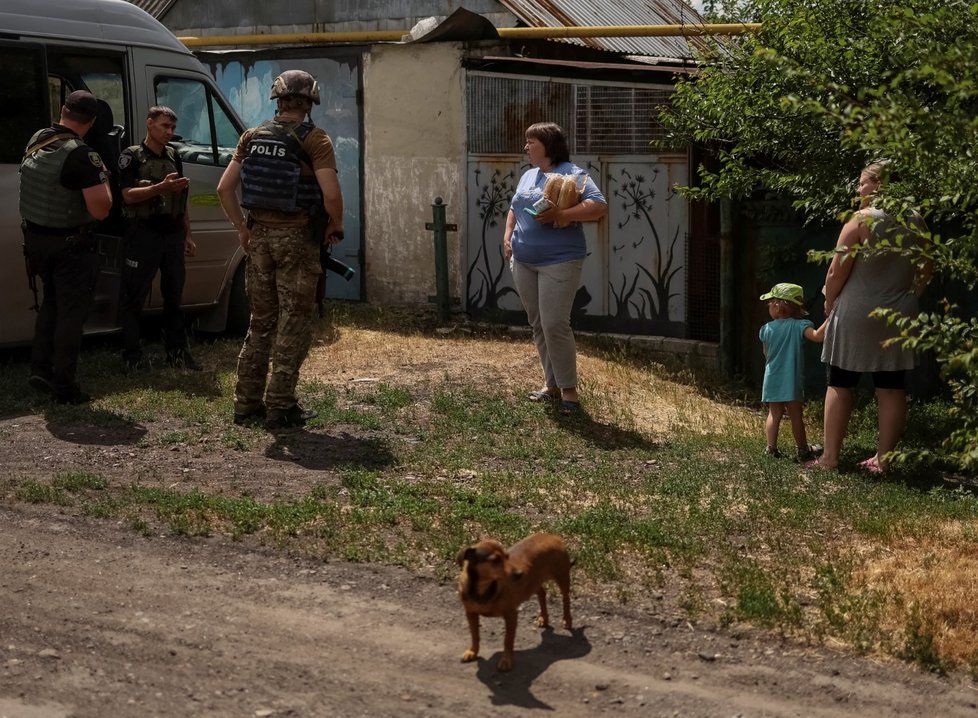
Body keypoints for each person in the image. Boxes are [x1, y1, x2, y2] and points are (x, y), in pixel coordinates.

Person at [217, 70, 344, 430]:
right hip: (297, 239)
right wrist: (335, 224)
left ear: (278, 100)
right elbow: (331, 195)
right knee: (294, 320)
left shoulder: (251, 137)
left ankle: (246, 404)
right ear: (309, 102)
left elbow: (225, 189)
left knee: (260, 322)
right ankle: (281, 406)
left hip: (259, 239)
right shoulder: (315, 139)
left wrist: (242, 229)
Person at [810, 161, 932, 472]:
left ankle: (830, 458)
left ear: (878, 185)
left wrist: (829, 302)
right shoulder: (916, 220)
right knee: (891, 386)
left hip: (856, 311)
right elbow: (927, 267)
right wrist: (909, 296)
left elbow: (836, 271)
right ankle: (883, 460)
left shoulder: (860, 221)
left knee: (840, 382)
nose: (858, 189)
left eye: (862, 183)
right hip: (899, 313)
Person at [502, 122, 607, 414]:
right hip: (523, 260)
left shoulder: (573, 175)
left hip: (559, 261)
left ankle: (570, 394)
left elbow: (598, 207)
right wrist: (507, 236)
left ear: (548, 145)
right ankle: (552, 386)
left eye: (531, 141)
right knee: (538, 323)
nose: (526, 147)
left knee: (554, 324)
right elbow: (514, 207)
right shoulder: (527, 176)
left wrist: (562, 213)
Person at [19, 90, 113, 404]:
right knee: (72, 314)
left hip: (36, 241)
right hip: (70, 246)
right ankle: (64, 385)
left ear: (62, 110)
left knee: (51, 304)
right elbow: (101, 209)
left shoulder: (39, 139)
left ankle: (40, 369)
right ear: (93, 121)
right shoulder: (82, 155)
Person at [117, 106, 199, 371]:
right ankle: (133, 356)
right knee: (133, 297)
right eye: (165, 126)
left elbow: (181, 199)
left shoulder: (174, 156)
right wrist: (159, 188)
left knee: (174, 296)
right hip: (143, 234)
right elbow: (127, 195)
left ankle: (176, 351)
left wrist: (187, 234)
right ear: (149, 123)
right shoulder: (132, 157)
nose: (169, 132)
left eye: (173, 128)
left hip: (172, 234)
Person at [758, 282, 827, 461]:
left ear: (777, 305)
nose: (769, 306)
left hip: (771, 377)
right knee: (796, 416)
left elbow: (766, 354)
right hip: (791, 379)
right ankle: (803, 450)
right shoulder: (800, 326)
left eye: (770, 302)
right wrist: (833, 316)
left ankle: (770, 449)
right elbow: (818, 336)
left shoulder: (765, 329)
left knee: (774, 413)